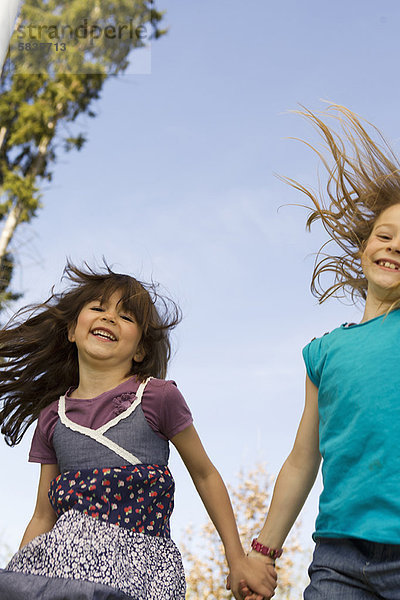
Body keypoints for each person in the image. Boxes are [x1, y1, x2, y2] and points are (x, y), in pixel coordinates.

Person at [0, 262, 277, 600]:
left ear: (141, 349)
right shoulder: (53, 419)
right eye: (98, 308)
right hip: (64, 564)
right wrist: (16, 580)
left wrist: (236, 560)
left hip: (140, 568)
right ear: (72, 330)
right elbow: (43, 516)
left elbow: (205, 475)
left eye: (126, 317)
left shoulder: (158, 397)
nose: (109, 318)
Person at [235, 104, 400, 599]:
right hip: (339, 560)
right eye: (385, 236)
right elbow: (303, 460)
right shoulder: (324, 353)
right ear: (363, 247)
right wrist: (262, 551)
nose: (394, 248)